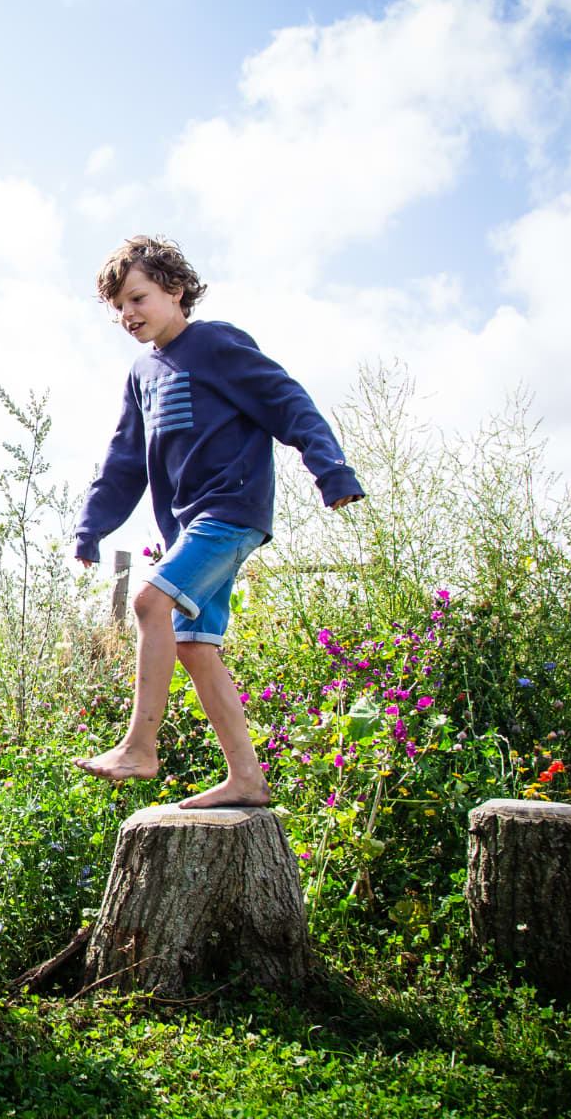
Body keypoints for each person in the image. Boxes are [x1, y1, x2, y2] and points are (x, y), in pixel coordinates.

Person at [73, 235, 362, 804]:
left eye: (138, 298)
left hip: (230, 510)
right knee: (193, 645)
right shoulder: (141, 375)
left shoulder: (216, 346)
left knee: (149, 602)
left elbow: (289, 404)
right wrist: (92, 526)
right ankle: (247, 779)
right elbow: (124, 458)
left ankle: (139, 747)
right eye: (120, 309)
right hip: (188, 524)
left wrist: (332, 472)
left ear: (175, 290)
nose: (129, 315)